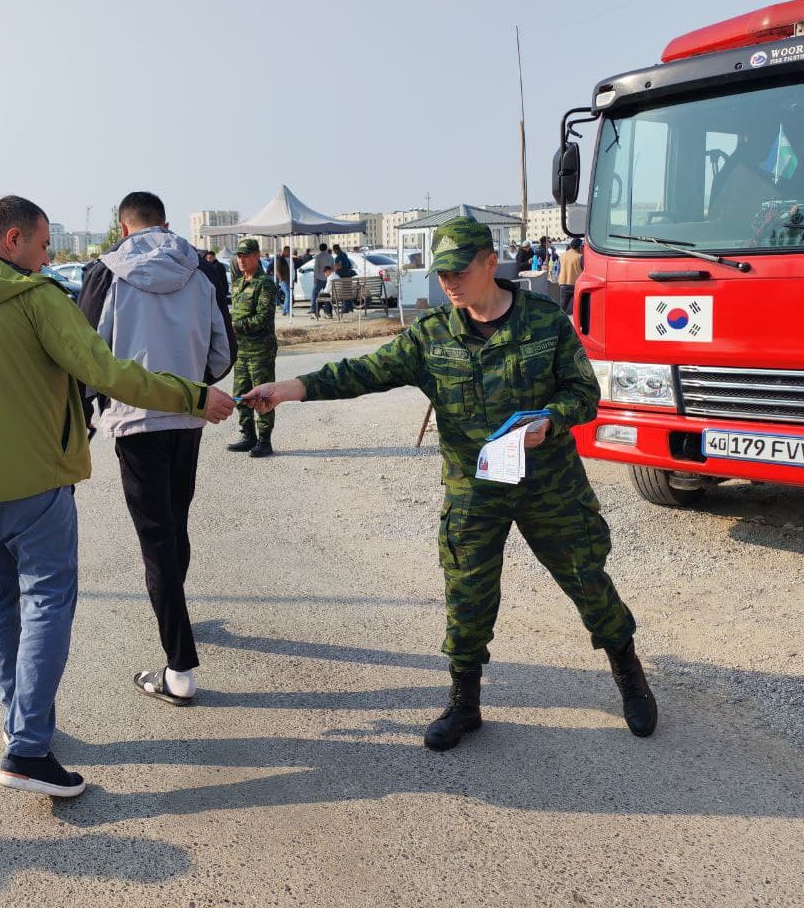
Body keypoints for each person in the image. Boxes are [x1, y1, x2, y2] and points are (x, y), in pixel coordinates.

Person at [241, 216, 657, 752]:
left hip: (549, 484)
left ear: (490, 262)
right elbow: (361, 373)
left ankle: (629, 674)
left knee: (586, 579)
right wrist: (289, 389)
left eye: (460, 270)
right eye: (441, 274)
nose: (450, 283)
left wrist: (551, 419)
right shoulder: (432, 335)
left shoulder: (545, 321)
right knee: (467, 594)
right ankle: (465, 703)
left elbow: (584, 393)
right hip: (474, 489)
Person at [0, 195, 233, 798]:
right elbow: (107, 372)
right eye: (46, 245)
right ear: (16, 238)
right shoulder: (36, 300)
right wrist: (191, 395)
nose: (49, 258)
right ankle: (27, 749)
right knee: (48, 600)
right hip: (36, 483)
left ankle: (21, 726)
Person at [77, 191, 232, 706]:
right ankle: (178, 616)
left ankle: (179, 666)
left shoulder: (106, 272)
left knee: (156, 537)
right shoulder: (202, 270)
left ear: (124, 227)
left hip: (133, 420)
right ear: (164, 225)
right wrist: (190, 383)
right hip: (188, 416)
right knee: (175, 523)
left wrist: (89, 413)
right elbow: (221, 353)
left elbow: (86, 351)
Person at [226, 238, 277, 457]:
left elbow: (263, 318)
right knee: (241, 394)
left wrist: (235, 326)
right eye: (239, 256)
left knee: (263, 395)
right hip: (241, 350)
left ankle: (265, 441)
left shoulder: (264, 283)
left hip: (260, 350)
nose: (242, 260)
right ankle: (248, 436)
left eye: (246, 256)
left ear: (257, 256)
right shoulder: (238, 283)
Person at [558, 237, 584, 315]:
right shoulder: (580, 256)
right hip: (574, 284)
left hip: (563, 283)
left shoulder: (562, 255)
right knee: (575, 308)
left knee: (562, 307)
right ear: (579, 246)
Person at [310, 243, 334, 318]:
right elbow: (332, 267)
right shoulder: (330, 257)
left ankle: (314, 310)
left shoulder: (318, 257)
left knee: (314, 294)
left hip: (319, 278)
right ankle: (327, 312)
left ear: (320, 249)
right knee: (327, 295)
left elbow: (316, 268)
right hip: (328, 278)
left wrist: (315, 277)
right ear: (326, 248)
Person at [274, 244, 293, 316]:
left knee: (288, 294)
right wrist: (281, 278)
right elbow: (277, 270)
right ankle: (287, 311)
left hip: (287, 279)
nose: (289, 252)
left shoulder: (286, 258)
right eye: (288, 251)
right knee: (288, 294)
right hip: (284, 280)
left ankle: (284, 311)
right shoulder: (280, 259)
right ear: (284, 251)